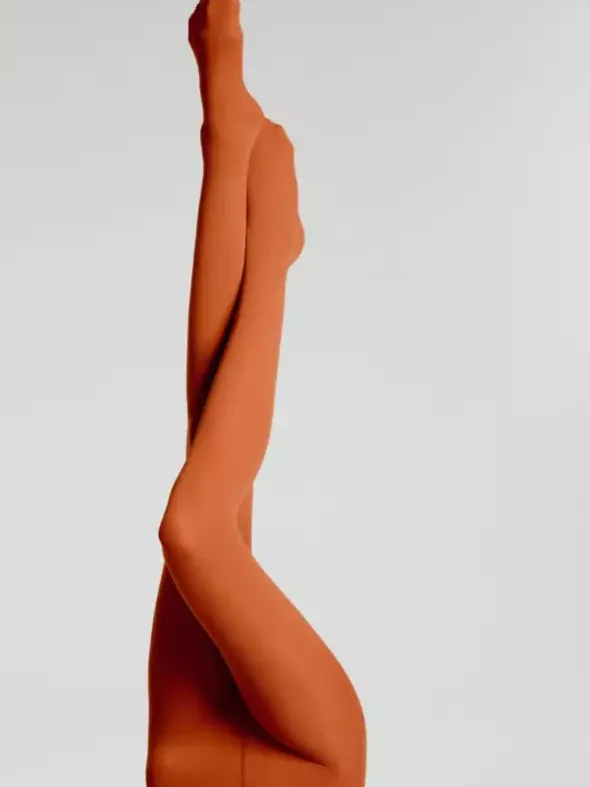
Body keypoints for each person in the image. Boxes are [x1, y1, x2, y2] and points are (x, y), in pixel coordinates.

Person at [145, 1, 367, 785]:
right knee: (196, 527)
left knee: (206, 430)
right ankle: (271, 247)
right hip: (315, 757)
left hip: (184, 758)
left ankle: (225, 145)